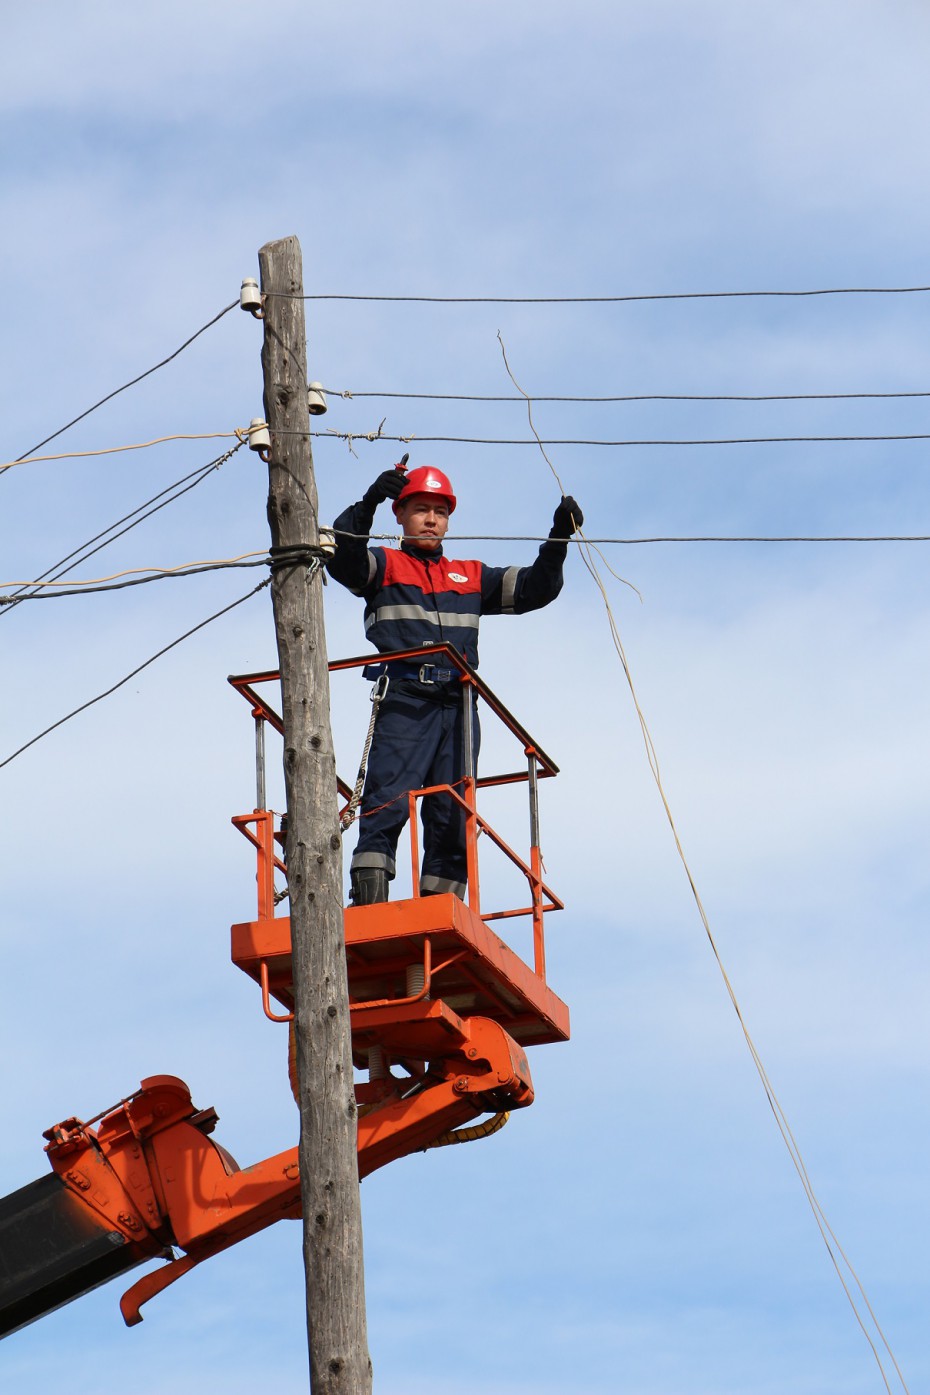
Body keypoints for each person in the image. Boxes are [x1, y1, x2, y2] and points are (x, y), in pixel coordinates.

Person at [327, 462, 583, 905]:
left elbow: (534, 589)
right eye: (421, 509)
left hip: (460, 705)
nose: (431, 519)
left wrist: (558, 539)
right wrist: (367, 503)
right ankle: (370, 902)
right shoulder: (385, 566)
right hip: (406, 697)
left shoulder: (470, 575)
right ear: (400, 515)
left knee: (453, 812)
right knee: (387, 797)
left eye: (440, 512)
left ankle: (441, 910)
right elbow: (344, 558)